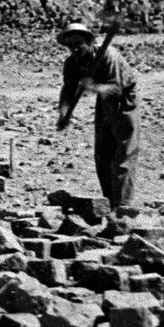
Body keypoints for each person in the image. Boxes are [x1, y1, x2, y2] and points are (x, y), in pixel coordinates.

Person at [54, 22, 139, 216]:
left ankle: (123, 204)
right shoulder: (72, 62)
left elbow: (116, 88)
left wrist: (91, 86)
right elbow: (68, 89)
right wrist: (64, 113)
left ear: (90, 41)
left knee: (123, 150)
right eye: (70, 46)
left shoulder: (108, 55)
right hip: (104, 101)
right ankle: (108, 201)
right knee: (102, 152)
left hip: (125, 98)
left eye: (78, 43)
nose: (75, 48)